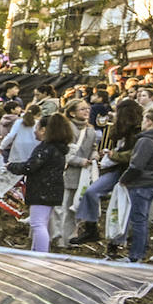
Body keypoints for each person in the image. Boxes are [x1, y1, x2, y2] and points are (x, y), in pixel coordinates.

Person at [74, 98, 143, 245]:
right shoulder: (121, 129)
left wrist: (114, 155)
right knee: (91, 192)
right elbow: (115, 139)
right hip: (117, 168)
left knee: (124, 207)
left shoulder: (139, 130)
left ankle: (118, 242)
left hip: (131, 172)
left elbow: (135, 154)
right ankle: (91, 228)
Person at [6, 113, 74, 253]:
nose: (35, 131)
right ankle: (36, 251)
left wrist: (11, 166)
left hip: (41, 189)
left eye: (37, 128)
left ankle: (41, 254)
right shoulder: (59, 149)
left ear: (44, 130)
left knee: (37, 224)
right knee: (41, 222)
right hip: (52, 189)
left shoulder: (45, 148)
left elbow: (30, 166)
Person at [120, 105, 153, 263]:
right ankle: (140, 252)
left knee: (138, 220)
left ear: (149, 121)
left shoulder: (146, 140)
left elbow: (136, 165)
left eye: (144, 119)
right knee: (142, 219)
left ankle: (136, 255)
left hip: (141, 184)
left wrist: (124, 179)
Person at [56, 98, 97, 249]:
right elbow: (64, 153)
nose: (87, 111)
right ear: (72, 113)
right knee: (66, 207)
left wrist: (94, 155)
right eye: (82, 109)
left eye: (87, 109)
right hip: (69, 173)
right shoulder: (67, 129)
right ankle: (63, 239)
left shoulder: (90, 129)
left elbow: (93, 147)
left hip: (84, 175)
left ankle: (72, 236)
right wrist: (80, 161)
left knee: (77, 208)